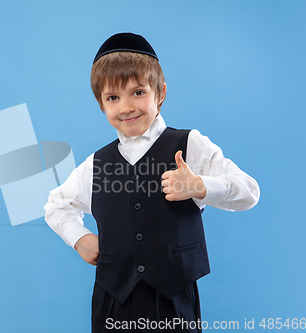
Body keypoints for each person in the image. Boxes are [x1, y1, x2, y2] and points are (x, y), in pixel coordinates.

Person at [43, 32, 260, 332]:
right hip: (113, 303)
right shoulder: (95, 165)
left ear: (160, 93)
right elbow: (56, 205)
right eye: (113, 98)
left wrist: (200, 186)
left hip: (173, 301)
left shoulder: (189, 144)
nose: (126, 107)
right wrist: (79, 238)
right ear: (101, 104)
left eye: (138, 92)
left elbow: (248, 191)